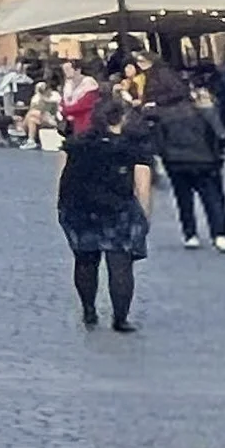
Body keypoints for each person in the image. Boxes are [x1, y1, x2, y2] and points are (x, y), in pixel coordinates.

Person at [60, 90, 157, 329]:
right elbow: (142, 186)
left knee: (84, 260)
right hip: (118, 210)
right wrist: (144, 217)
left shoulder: (75, 145)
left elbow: (62, 177)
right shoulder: (133, 148)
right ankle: (120, 319)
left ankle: (89, 310)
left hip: (80, 209)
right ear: (121, 119)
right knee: (120, 264)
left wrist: (63, 207)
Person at [149, 65, 225, 249]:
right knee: (213, 198)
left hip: (176, 160)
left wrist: (165, 158)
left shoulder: (161, 113)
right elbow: (221, 133)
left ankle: (190, 234)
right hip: (206, 159)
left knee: (183, 199)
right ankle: (220, 234)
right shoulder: (201, 109)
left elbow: (159, 141)